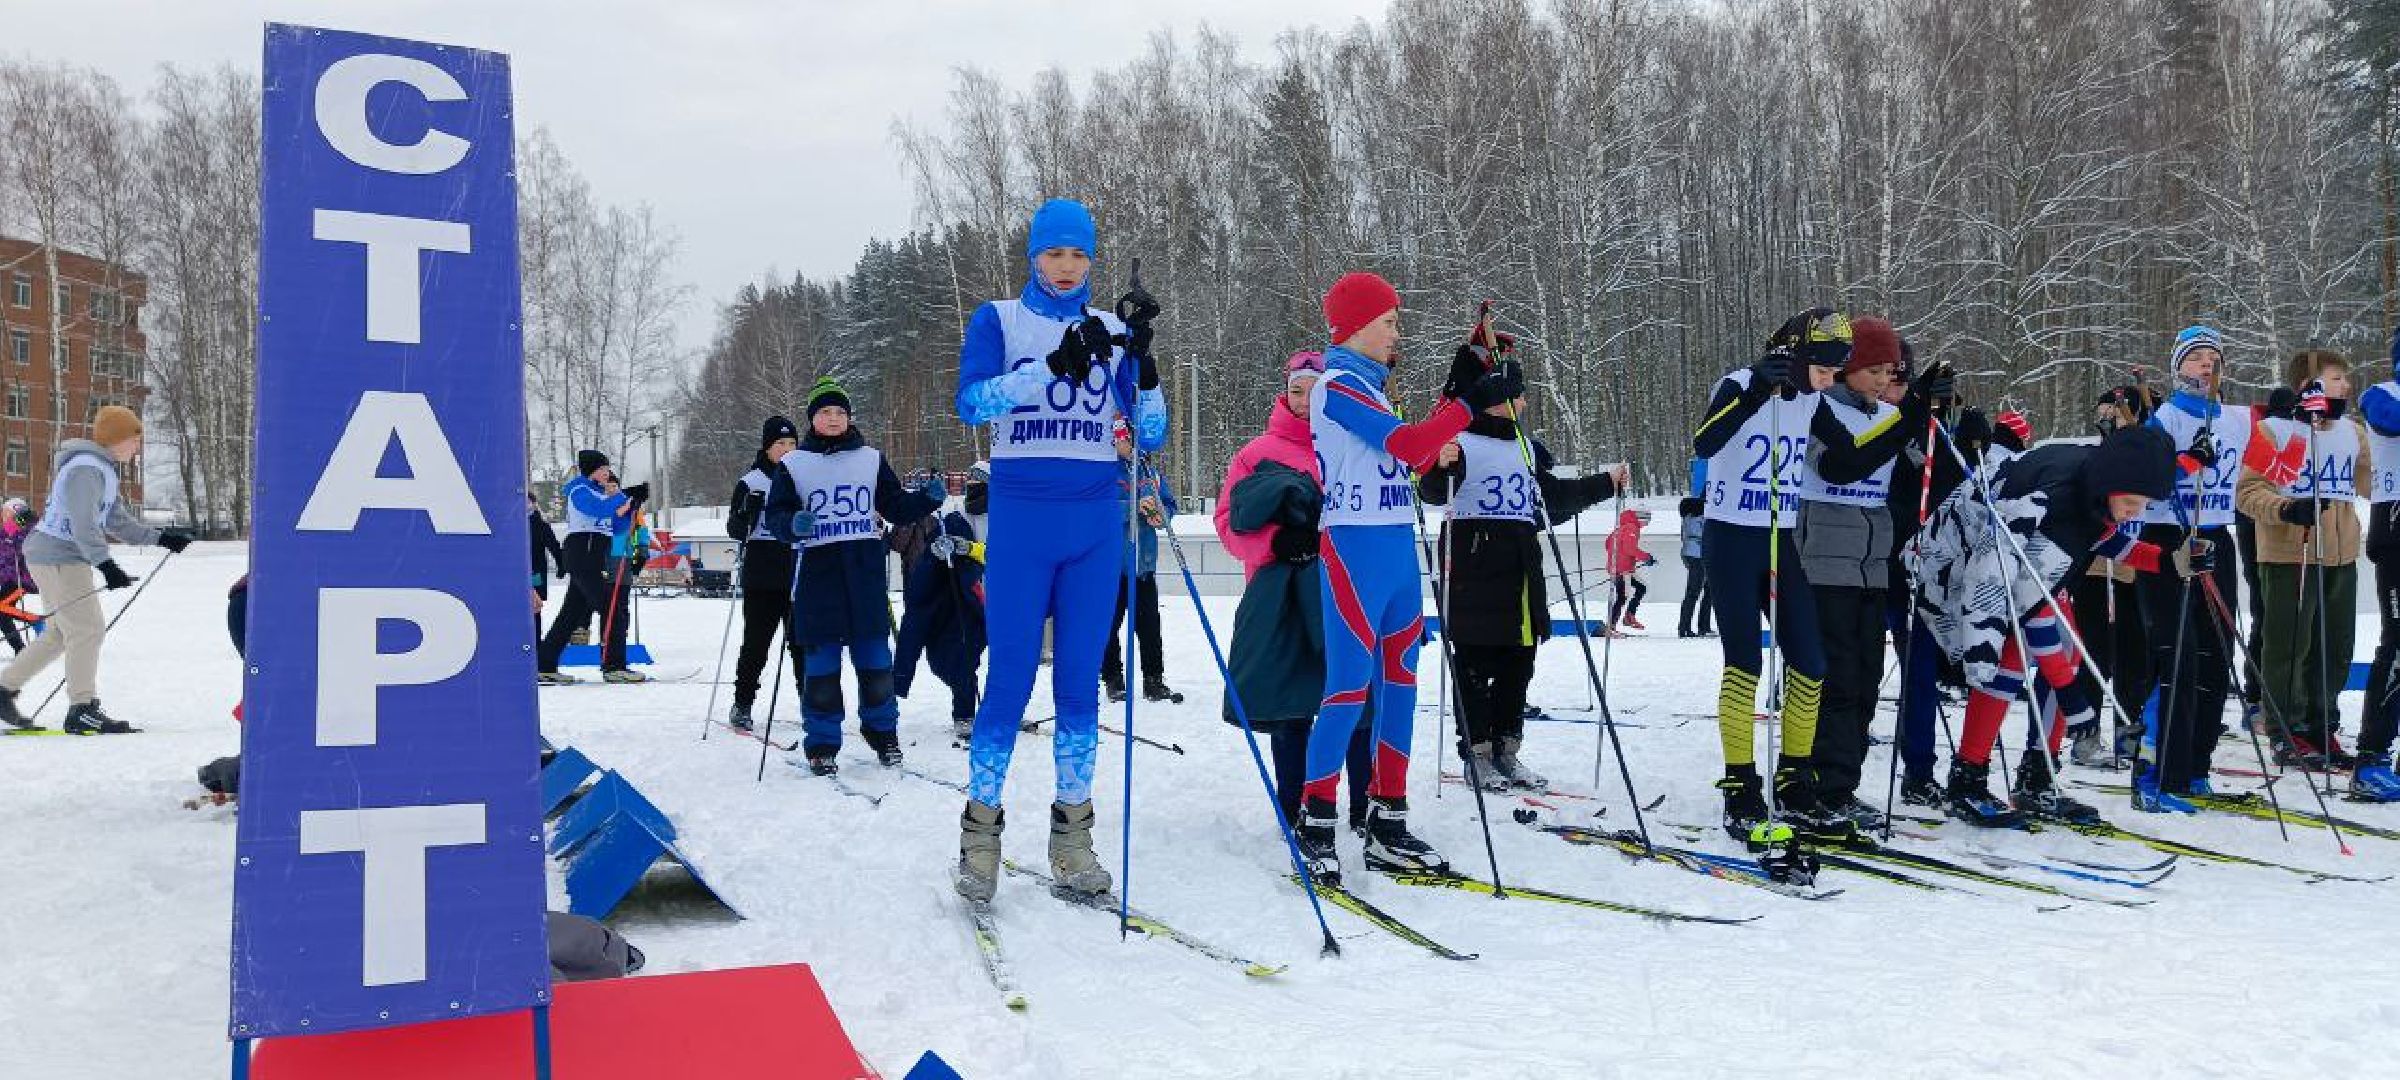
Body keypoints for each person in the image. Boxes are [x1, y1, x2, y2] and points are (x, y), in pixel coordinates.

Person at [950, 197, 1168, 904]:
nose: (1067, 266)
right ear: (1034, 256)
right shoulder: (999, 319)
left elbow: (1153, 430)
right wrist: (1050, 366)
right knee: (1010, 678)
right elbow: (974, 404)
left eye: (1079, 254)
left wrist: (1146, 360)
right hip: (1020, 519)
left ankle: (1073, 840)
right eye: (1054, 253)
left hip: (1094, 524)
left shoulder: (1108, 327)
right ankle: (980, 838)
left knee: (1079, 682)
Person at [1291, 272, 1519, 884]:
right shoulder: (1336, 386)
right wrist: (1468, 402)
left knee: (1402, 685)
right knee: (1346, 690)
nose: (1398, 332)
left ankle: (1388, 818)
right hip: (1352, 550)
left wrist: (1465, 394)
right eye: (1389, 321)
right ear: (1359, 326)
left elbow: (1417, 453)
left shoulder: (1376, 390)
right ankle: (1315, 819)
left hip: (1394, 549)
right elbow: (1411, 440)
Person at [1913, 425, 2176, 825]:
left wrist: (2167, 560)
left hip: (2020, 572)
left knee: (2065, 651)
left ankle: (2039, 776)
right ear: (2111, 484)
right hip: (1956, 570)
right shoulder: (2057, 500)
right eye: (2130, 502)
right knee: (2009, 660)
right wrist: (2073, 699)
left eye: (2142, 505)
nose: (2134, 513)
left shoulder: (2095, 487)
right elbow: (2029, 608)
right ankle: (1968, 776)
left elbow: (2099, 537)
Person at [1417, 358, 1623, 794]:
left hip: (1520, 571)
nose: (1524, 402)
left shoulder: (1525, 448)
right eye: (1517, 395)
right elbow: (1432, 491)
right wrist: (1441, 464)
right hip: (1474, 570)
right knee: (1472, 667)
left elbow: (1552, 500)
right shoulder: (1461, 441)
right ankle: (1477, 753)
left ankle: (1507, 749)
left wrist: (1604, 483)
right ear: (1495, 401)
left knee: (1519, 664)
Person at [1690, 308, 1846, 838]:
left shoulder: (1812, 399)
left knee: (1811, 662)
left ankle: (1795, 779)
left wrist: (1914, 413)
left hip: (1781, 539)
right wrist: (1755, 389)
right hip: (1732, 537)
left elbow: (1849, 454)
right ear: (1798, 357)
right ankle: (1740, 783)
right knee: (1744, 663)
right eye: (1823, 370)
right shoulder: (1738, 382)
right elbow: (1705, 442)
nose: (1829, 382)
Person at [1217, 351, 1376, 830]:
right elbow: (1228, 525)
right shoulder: (1256, 453)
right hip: (1281, 599)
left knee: (1355, 701)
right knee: (1290, 706)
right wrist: (1276, 542)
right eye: (1296, 389)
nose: (1305, 399)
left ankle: (1362, 807)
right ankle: (1295, 808)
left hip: (1344, 590)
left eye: (1315, 388)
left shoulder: (1353, 444)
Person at [1796, 316, 1941, 832]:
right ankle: (1812, 783)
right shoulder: (1817, 409)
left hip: (1872, 563)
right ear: (1849, 368)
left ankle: (1842, 784)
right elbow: (1838, 467)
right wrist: (1905, 420)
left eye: (1892, 372)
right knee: (1833, 679)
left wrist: (1939, 419)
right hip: (1821, 559)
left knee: (1863, 682)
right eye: (1875, 370)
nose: (1884, 381)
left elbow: (1924, 473)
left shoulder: (1885, 414)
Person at [764, 378, 944, 773]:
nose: (833, 418)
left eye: (840, 412)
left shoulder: (870, 459)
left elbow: (894, 505)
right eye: (826, 412)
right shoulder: (794, 464)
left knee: (877, 665)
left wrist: (925, 501)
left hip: (863, 578)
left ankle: (884, 734)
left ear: (849, 418)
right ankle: (823, 743)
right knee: (822, 672)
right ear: (812, 418)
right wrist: (793, 522)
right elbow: (774, 516)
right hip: (817, 581)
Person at [0, 406, 190, 733]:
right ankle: (82, 707)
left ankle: (4, 689)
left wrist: (162, 538)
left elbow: (117, 522)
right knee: (87, 629)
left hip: (57, 556)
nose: (137, 447)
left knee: (63, 633)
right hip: (60, 556)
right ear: (118, 439)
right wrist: (106, 564)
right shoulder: (86, 470)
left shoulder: (102, 471)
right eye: (135, 439)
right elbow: (82, 523)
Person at [2132, 326, 2250, 810]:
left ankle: (2195, 767)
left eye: (2213, 357)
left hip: (2216, 533)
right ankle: (2156, 774)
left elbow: (2273, 462)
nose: (2206, 364)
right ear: (2178, 366)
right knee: (2176, 657)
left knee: (2216, 658)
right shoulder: (2165, 417)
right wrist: (2185, 462)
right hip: (2169, 535)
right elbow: (2143, 482)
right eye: (2197, 356)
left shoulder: (2236, 419)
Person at [2238, 350, 2366, 771]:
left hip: (2340, 552)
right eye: (2335, 378)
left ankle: (2320, 723)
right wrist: (2286, 508)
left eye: (2345, 378)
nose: (2345, 385)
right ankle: (2285, 727)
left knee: (2335, 646)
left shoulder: (2351, 432)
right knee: (2290, 644)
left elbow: (2372, 481)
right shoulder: (2275, 431)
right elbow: (2249, 491)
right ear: (2308, 385)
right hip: (2292, 550)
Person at [2067, 385, 2157, 767]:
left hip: (2133, 569)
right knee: (2095, 652)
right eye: (2106, 415)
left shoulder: (2147, 449)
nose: (2109, 420)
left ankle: (2129, 735)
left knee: (2134, 653)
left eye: (2117, 413)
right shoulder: (2101, 451)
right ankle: (2086, 738)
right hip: (2095, 567)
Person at [537, 451, 649, 685]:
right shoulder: (580, 491)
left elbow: (617, 525)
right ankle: (613, 666)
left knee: (571, 614)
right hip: (581, 553)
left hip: (595, 556)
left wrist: (632, 504)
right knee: (612, 609)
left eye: (608, 468)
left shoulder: (602, 493)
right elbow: (597, 510)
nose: (607, 473)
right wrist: (622, 496)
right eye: (602, 469)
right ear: (591, 470)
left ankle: (544, 665)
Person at [892, 478, 987, 744]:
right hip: (950, 601)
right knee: (948, 661)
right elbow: (915, 616)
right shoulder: (953, 520)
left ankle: (985, 711)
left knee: (980, 661)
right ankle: (969, 707)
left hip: (984, 603)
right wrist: (900, 677)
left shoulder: (1007, 514)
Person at [723, 415, 801, 731]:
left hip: (796, 568)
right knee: (756, 643)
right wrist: (747, 513)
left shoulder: (804, 476)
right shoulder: (751, 481)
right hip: (762, 571)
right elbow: (734, 529)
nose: (786, 449)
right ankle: (743, 703)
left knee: (802, 644)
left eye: (792, 444)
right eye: (779, 444)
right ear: (767, 448)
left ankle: (811, 703)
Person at [2353, 331, 2400, 801]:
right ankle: (2370, 758)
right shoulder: (2382, 394)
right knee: (2397, 643)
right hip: (2395, 524)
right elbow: (2387, 420)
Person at [1101, 428, 1179, 703]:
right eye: (1123, 439)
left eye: (1132, 439)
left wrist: (1162, 514)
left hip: (1143, 563)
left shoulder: (1148, 471)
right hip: (1111, 564)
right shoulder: (1103, 470)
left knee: (1149, 624)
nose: (1129, 444)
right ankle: (1113, 678)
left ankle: (1153, 679)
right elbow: (1099, 510)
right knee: (1108, 625)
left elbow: (1169, 503)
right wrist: (1133, 507)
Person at [1603, 507, 1655, 634]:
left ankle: (1629, 616)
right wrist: (1646, 557)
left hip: (1621, 567)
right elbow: (1629, 549)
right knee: (1622, 596)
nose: (1646, 525)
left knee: (1641, 587)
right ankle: (1610, 626)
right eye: (1647, 522)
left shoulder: (1621, 527)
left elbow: (1608, 544)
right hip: (1622, 569)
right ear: (1641, 519)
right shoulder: (1632, 527)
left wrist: (1633, 560)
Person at [0, 497, 34, 654]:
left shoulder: (26, 528)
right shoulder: (6, 530)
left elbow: (26, 530)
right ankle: (20, 649)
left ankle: (36, 623)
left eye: (6, 513)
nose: (3, 516)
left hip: (22, 581)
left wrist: (23, 518)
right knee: (3, 613)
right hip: (9, 581)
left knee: (1, 609)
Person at [1675, 497, 1711, 637]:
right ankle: (1685, 628)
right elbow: (1707, 536)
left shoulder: (1687, 519)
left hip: (1690, 554)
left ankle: (1698, 626)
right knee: (1694, 593)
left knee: (1705, 590)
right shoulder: (1700, 520)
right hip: (1698, 556)